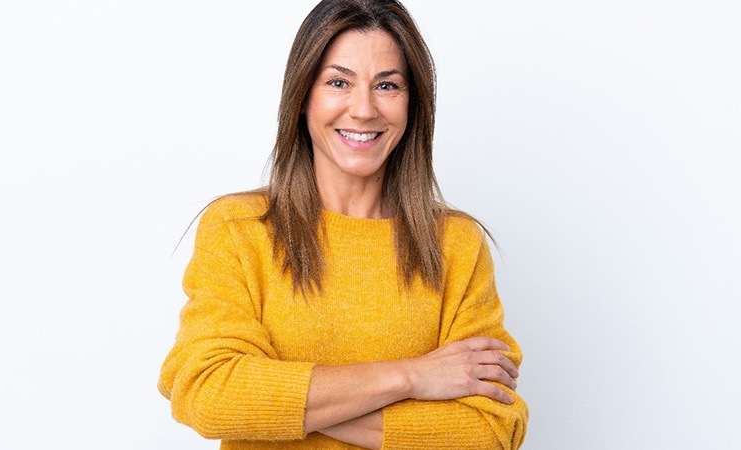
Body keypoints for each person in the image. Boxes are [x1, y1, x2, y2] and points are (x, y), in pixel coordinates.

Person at [158, 0, 528, 448]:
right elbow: (208, 394)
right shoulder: (240, 229)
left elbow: (491, 429)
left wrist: (281, 404)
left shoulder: (455, 244)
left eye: (387, 85)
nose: (363, 110)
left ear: (413, 104)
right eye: (338, 82)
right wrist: (414, 376)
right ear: (303, 96)